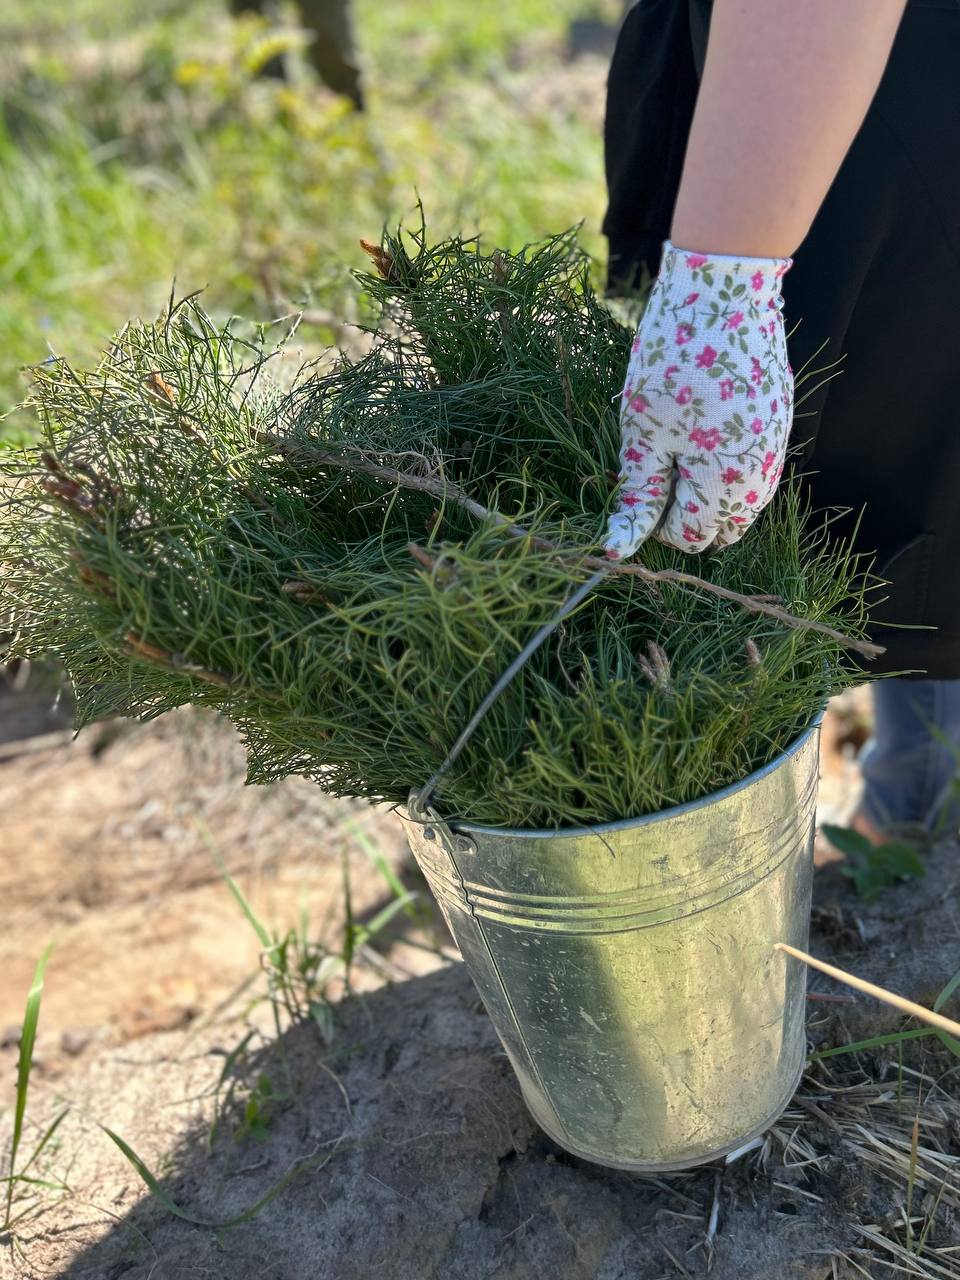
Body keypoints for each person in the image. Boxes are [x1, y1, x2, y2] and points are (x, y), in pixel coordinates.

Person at [601, 0, 960, 843]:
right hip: (781, 85)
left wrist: (725, 278)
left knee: (898, 472)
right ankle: (920, 788)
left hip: (841, 89)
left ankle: (918, 805)